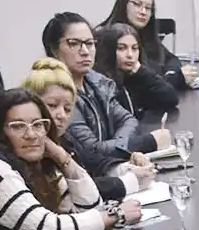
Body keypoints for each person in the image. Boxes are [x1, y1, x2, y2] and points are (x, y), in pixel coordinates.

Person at [0, 87, 140, 230]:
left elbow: (90, 208)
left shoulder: (39, 163)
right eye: (18, 126)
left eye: (38, 125)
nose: (31, 135)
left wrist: (62, 157)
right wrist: (116, 216)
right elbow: (48, 229)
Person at [42, 12, 170, 187]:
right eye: (74, 44)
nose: (85, 51)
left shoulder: (97, 82)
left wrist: (122, 153)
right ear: (54, 50)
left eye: (89, 43)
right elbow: (90, 149)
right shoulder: (54, 95)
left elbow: (127, 120)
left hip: (107, 173)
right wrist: (146, 142)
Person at [21, 57, 155, 204]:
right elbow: (72, 191)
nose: (61, 115)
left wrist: (126, 167)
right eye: (52, 105)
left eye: (67, 109)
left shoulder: (65, 138)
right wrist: (130, 181)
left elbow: (95, 162)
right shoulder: (29, 148)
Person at [101, 0, 198, 91]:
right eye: (137, 5)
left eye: (148, 8)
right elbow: (138, 87)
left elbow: (172, 60)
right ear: (123, 4)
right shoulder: (108, 37)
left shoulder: (145, 34)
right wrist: (176, 78)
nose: (143, 12)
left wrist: (170, 74)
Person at [94, 22, 181, 115]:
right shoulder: (102, 84)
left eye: (134, 48)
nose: (130, 55)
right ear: (109, 51)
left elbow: (171, 98)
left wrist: (141, 72)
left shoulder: (135, 76)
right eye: (121, 48)